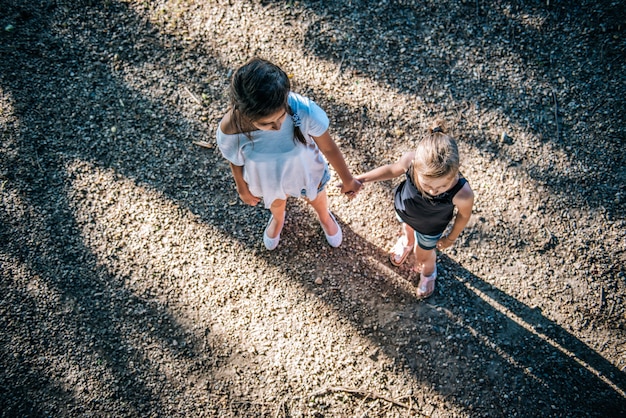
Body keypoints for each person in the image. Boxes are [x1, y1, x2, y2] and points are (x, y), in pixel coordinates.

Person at [216, 57, 362, 250]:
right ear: (244, 114)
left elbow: (328, 147)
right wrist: (242, 188)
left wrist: (348, 179)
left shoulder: (305, 111)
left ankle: (324, 217)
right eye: (267, 124)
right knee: (276, 205)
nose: (277, 127)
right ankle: (278, 219)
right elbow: (234, 159)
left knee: (317, 198)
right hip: (269, 180)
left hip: (306, 172)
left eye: (280, 118)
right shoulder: (231, 129)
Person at [352, 122, 474, 298]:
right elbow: (392, 169)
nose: (433, 191)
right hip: (405, 209)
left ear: (455, 173)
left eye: (442, 186)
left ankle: (428, 273)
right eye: (427, 185)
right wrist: (361, 179)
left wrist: (451, 238)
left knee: (423, 255)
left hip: (430, 227)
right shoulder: (411, 161)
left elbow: (464, 215)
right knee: (407, 228)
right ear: (416, 166)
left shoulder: (462, 193)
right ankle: (407, 241)